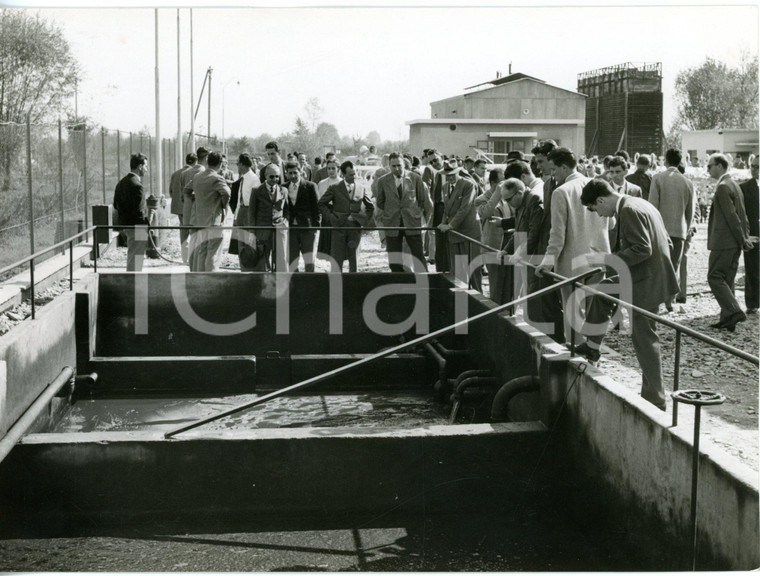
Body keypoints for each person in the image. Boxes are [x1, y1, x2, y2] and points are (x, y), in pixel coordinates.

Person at [575, 178, 679, 411]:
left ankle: (656, 400)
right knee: (603, 290)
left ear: (601, 200)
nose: (600, 215)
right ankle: (592, 344)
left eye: (595, 209)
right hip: (647, 274)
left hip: (647, 281)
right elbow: (667, 243)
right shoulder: (640, 203)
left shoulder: (629, 210)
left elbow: (643, 248)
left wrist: (607, 260)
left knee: (644, 338)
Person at [536, 147, 611, 343]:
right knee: (593, 313)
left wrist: (546, 263)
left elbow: (557, 235)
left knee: (573, 314)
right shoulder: (597, 185)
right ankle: (593, 352)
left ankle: (576, 356)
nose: (552, 174)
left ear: (563, 167)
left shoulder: (561, 192)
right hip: (598, 259)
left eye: (554, 169)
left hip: (572, 264)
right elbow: (611, 222)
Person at [707, 153, 752, 330]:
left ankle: (734, 311)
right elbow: (742, 215)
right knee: (727, 278)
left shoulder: (723, 187)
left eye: (710, 166)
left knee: (714, 277)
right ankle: (728, 318)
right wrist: (744, 238)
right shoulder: (734, 185)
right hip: (733, 242)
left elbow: (732, 217)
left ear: (720, 166)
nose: (708, 169)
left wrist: (743, 238)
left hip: (724, 242)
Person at [649, 148, 695, 311]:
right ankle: (670, 300)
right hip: (679, 230)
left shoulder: (657, 179)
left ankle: (654, 300)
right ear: (680, 161)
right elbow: (691, 211)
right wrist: (686, 228)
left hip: (661, 231)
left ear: (666, 161)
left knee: (658, 266)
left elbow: (652, 206)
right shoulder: (687, 182)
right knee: (674, 266)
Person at [374, 152, 431, 272]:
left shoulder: (415, 178)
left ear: (404, 164)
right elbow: (380, 202)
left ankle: (425, 285)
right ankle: (398, 285)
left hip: (412, 222)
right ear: (389, 166)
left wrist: (414, 213)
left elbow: (421, 200)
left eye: (399, 165)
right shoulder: (383, 181)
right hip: (392, 223)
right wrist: (391, 210)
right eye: (393, 166)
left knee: (418, 256)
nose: (397, 169)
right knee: (394, 260)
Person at [530, 140, 564, 342]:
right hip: (549, 247)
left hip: (565, 250)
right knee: (547, 299)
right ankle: (556, 339)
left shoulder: (569, 184)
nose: (538, 166)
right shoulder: (548, 184)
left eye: (541, 161)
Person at [318, 161, 374, 273]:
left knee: (354, 259)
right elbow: (321, 203)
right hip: (339, 228)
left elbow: (370, 207)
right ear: (343, 174)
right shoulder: (334, 188)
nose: (354, 177)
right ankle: (336, 285)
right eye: (350, 175)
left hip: (354, 229)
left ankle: (353, 286)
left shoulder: (361, 187)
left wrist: (363, 219)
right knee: (337, 259)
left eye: (355, 174)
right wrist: (331, 218)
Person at [438, 160, 482, 291]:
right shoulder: (445, 187)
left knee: (473, 270)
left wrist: (450, 225)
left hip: (469, 233)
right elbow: (447, 209)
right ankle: (461, 302)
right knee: (457, 270)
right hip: (454, 234)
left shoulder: (468, 185)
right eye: (447, 175)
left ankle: (478, 298)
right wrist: (443, 223)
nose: (450, 177)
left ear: (458, 172)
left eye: (452, 174)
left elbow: (465, 208)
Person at [186, 151, 231, 272]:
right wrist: (223, 204)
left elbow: (186, 190)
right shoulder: (216, 178)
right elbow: (227, 193)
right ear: (220, 164)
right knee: (213, 253)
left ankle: (200, 280)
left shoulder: (197, 176)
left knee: (202, 251)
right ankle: (211, 281)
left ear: (207, 161)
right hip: (214, 221)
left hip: (200, 220)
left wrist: (196, 200)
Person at [475, 167, 510, 302]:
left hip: (508, 245)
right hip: (493, 246)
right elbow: (485, 213)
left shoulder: (507, 198)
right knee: (495, 286)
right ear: (494, 184)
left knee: (508, 286)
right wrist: (497, 193)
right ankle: (495, 314)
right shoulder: (481, 199)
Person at [113, 153, 150, 272]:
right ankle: (132, 284)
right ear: (140, 166)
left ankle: (132, 281)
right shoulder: (137, 185)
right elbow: (139, 211)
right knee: (136, 258)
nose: (146, 169)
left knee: (132, 256)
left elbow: (115, 205)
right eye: (145, 166)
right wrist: (146, 225)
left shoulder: (121, 183)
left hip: (125, 225)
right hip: (137, 227)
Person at [249, 163, 289, 272]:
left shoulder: (284, 190)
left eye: (277, 176)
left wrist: (285, 222)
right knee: (262, 260)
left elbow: (287, 210)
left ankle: (281, 284)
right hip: (262, 230)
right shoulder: (257, 190)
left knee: (281, 259)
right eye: (272, 176)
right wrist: (253, 232)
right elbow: (252, 213)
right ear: (265, 176)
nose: (275, 179)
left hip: (280, 230)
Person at [284, 160, 320, 272]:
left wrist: (315, 228)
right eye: (290, 173)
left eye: (295, 172)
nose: (293, 175)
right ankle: (294, 285)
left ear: (301, 171)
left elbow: (316, 208)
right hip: (290, 229)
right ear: (286, 173)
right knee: (291, 260)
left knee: (309, 260)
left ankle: (309, 285)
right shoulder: (283, 187)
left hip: (307, 228)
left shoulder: (310, 186)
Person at [229, 153, 261, 271]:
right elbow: (239, 200)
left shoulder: (254, 179)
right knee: (240, 242)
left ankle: (250, 267)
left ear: (243, 164)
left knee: (249, 241)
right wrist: (236, 216)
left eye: (238, 164)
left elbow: (255, 200)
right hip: (241, 212)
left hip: (249, 211)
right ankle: (243, 267)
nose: (237, 166)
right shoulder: (242, 179)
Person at [180, 147, 208, 267]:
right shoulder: (203, 173)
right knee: (200, 242)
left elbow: (183, 195)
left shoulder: (184, 173)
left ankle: (192, 265)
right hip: (198, 213)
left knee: (193, 240)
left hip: (187, 212)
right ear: (206, 158)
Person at [168, 153, 197, 262]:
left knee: (183, 231)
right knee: (193, 232)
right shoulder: (193, 173)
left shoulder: (176, 173)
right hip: (191, 208)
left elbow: (171, 190)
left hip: (180, 208)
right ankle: (192, 258)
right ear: (195, 162)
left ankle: (185, 258)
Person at [740, 157, 759, 313]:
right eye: (752, 166)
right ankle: (752, 303)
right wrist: (745, 235)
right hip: (753, 234)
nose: (754, 169)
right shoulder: (744, 188)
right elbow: (741, 214)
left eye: (757, 167)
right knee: (752, 268)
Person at [316, 159, 342, 260]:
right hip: (326, 214)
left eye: (333, 168)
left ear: (338, 169)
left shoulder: (342, 183)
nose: (331, 171)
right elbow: (320, 201)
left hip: (338, 214)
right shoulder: (322, 183)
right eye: (329, 168)